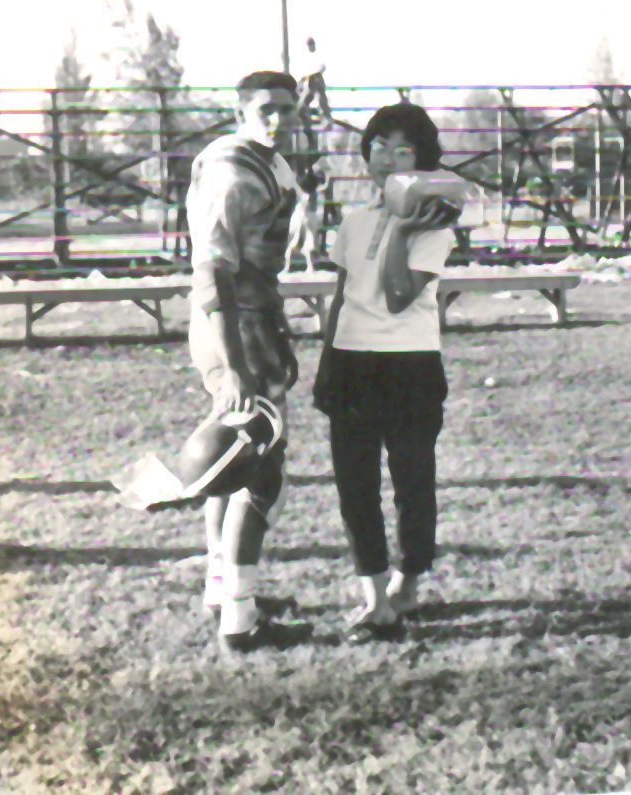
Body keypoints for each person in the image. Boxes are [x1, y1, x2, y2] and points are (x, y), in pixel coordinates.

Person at [313, 103, 458, 644]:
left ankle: (409, 579)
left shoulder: (434, 222)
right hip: (351, 364)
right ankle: (375, 600)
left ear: (422, 159)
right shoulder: (352, 222)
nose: (387, 158)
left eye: (403, 149)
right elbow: (342, 296)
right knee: (355, 487)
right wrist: (327, 361)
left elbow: (399, 297)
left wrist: (400, 232)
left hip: (410, 366)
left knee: (412, 483)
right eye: (379, 145)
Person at [186, 70, 310, 653]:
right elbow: (212, 270)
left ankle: (221, 584)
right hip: (237, 323)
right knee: (262, 472)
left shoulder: (267, 158)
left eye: (288, 107)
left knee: (233, 459)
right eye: (267, 108)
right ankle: (240, 618)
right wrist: (235, 363)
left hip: (252, 315)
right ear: (242, 109)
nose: (279, 118)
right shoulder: (232, 169)